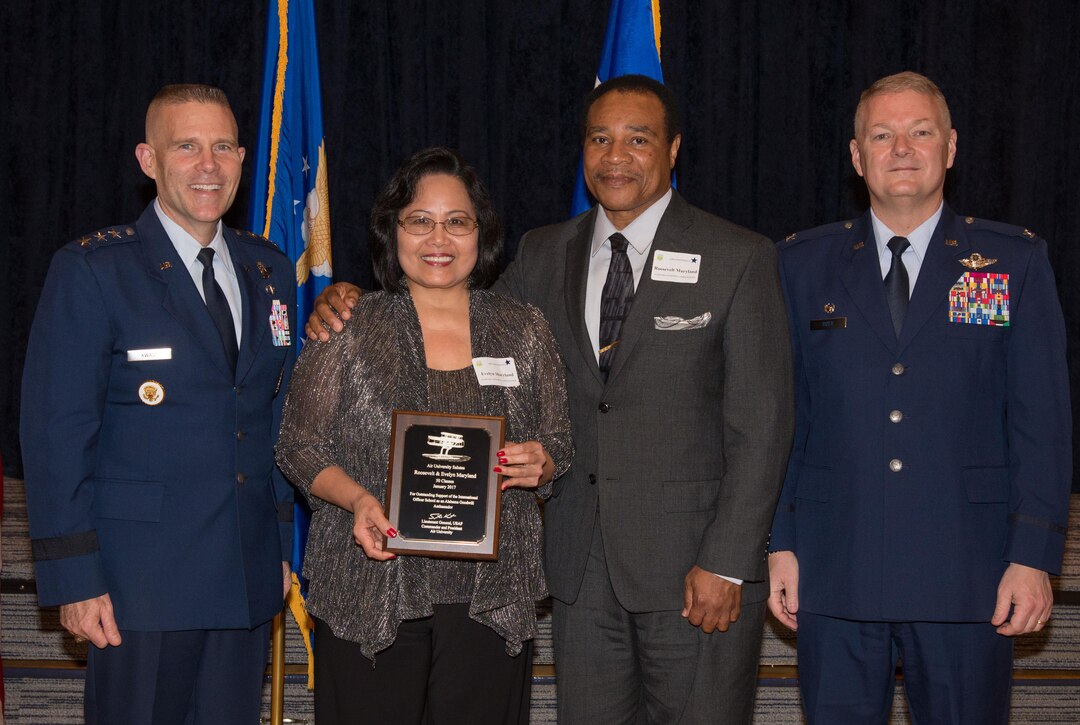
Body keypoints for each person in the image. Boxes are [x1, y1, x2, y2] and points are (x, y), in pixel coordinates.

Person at [308, 76, 793, 724]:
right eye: (599, 138)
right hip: (579, 574)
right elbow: (443, 295)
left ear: (673, 149)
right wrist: (343, 295)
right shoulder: (546, 252)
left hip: (693, 569)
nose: (615, 155)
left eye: (637, 139)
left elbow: (761, 423)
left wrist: (729, 561)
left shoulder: (738, 256)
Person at [767, 71, 1072, 723]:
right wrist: (781, 540)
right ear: (856, 156)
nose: (901, 148)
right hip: (835, 566)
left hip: (970, 573)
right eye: (882, 134)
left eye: (920, 131)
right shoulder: (800, 265)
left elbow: (1041, 423)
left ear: (951, 146)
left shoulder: (1010, 263)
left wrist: (1033, 556)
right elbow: (786, 417)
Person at [20, 84, 295, 724]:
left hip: (244, 570)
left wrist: (279, 544)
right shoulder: (94, 271)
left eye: (223, 146)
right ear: (149, 161)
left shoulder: (269, 270)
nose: (209, 165)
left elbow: (272, 417)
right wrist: (74, 577)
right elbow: (55, 435)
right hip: (137, 583)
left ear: (242, 157)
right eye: (187, 147)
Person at [275, 146, 573, 724]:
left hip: (491, 597)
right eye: (420, 221)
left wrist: (543, 463)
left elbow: (558, 439)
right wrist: (359, 499)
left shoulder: (524, 329)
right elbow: (298, 445)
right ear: (393, 231)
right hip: (369, 588)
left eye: (457, 222)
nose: (439, 239)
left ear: (480, 233)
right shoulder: (348, 325)